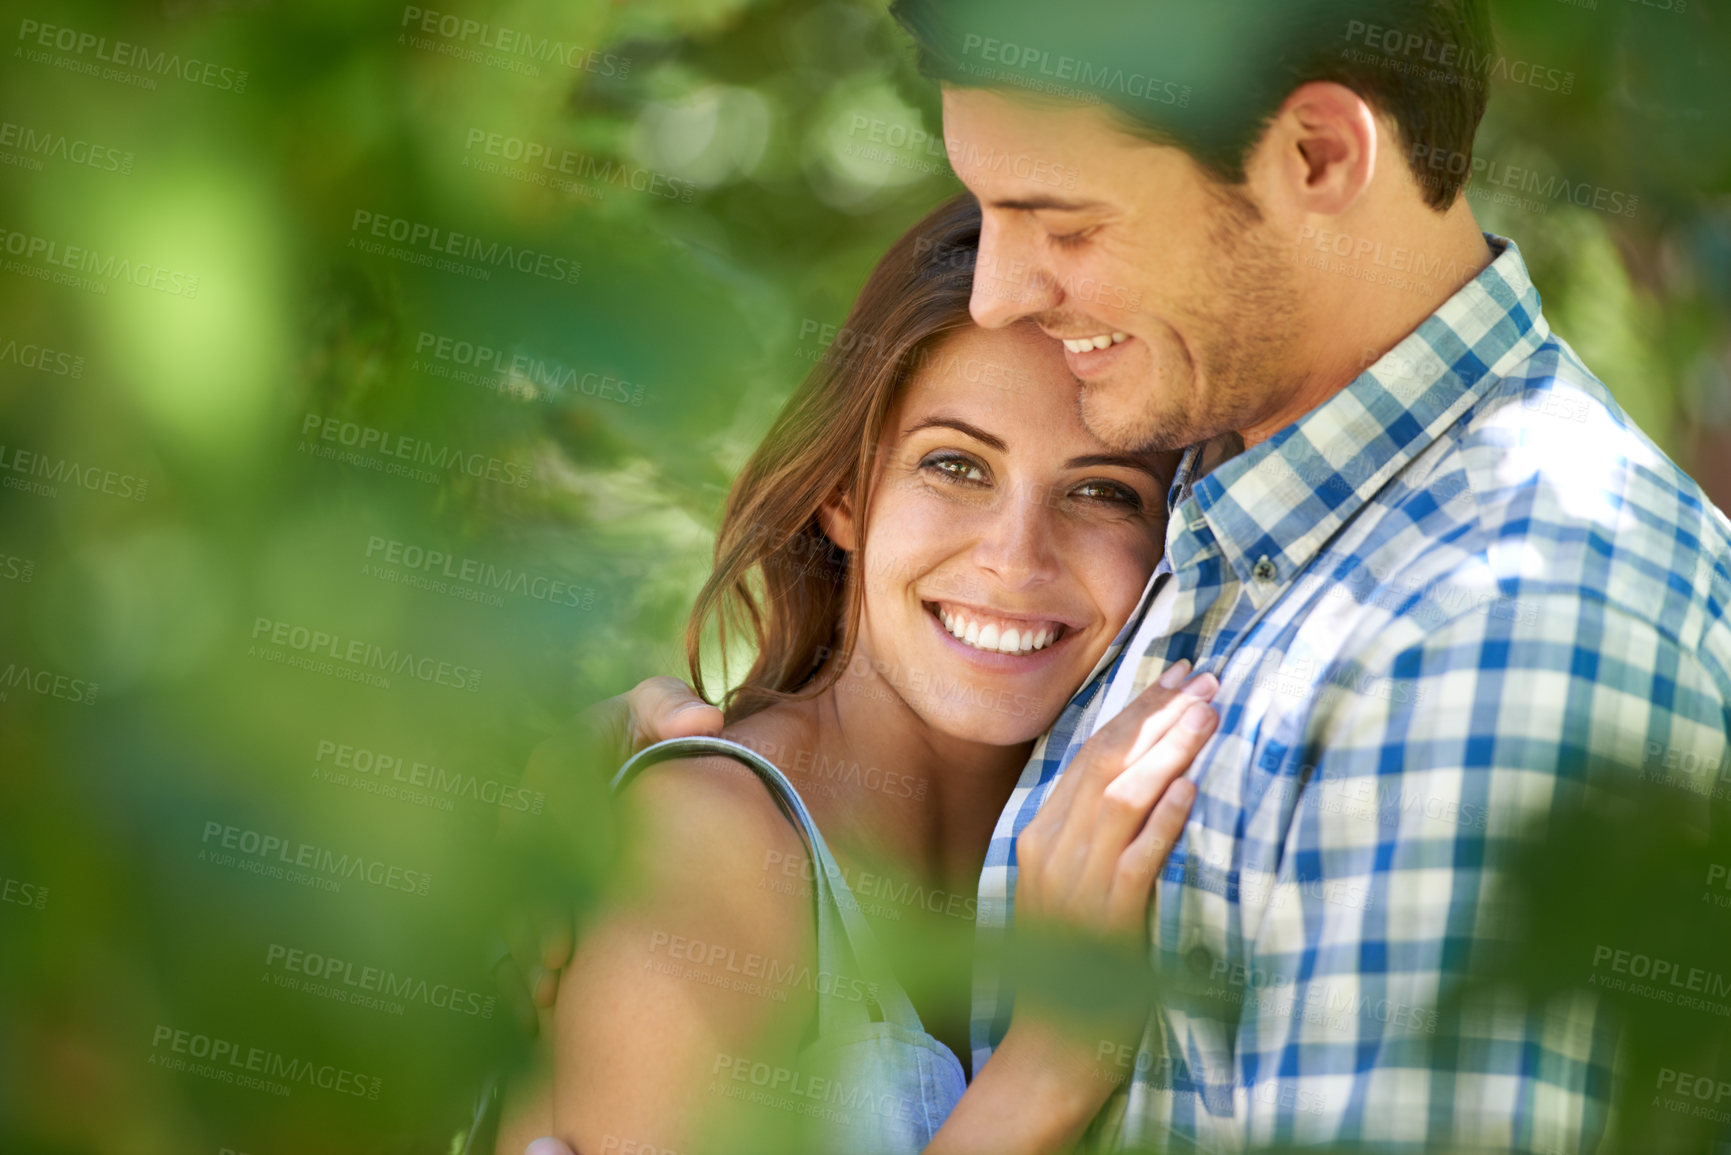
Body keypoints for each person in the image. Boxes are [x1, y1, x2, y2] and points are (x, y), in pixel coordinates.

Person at [513, 1, 1731, 1149]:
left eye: (1067, 222)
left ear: (1316, 155)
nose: (1003, 290)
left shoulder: (1506, 621)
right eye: (953, 467)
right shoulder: (1240, 487)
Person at [489, 193, 1224, 1155]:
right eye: (955, 466)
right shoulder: (707, 834)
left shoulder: (1120, 845)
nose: (1016, 558)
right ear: (844, 494)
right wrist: (1047, 1068)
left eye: (1101, 491)